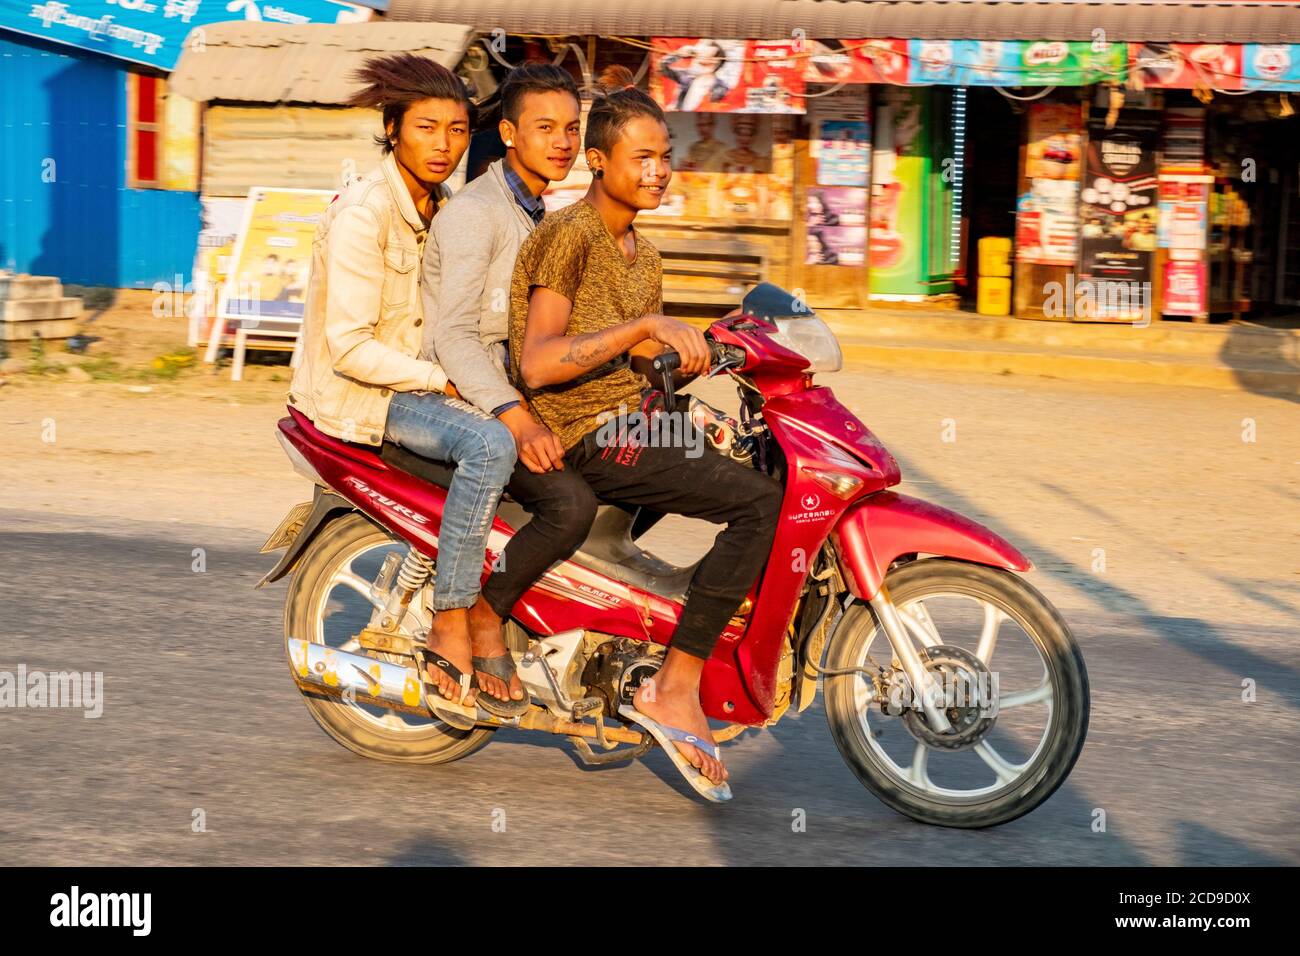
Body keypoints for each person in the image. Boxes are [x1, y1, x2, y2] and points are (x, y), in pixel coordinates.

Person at [508, 65, 782, 794]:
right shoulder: (572, 235)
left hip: (632, 418)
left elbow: (636, 358)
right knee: (756, 505)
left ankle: (640, 623)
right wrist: (644, 328)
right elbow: (537, 364)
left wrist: (705, 355)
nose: (660, 171)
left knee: (761, 461)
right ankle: (676, 684)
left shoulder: (644, 251)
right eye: (644, 157)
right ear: (598, 161)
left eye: (666, 157)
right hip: (582, 433)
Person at [288, 53, 517, 723]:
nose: (443, 145)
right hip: (362, 396)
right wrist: (446, 380)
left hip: (412, 382)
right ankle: (453, 616)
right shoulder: (367, 212)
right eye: (426, 128)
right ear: (393, 130)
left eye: (455, 130)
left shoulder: (445, 205)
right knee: (491, 444)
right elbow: (350, 347)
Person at [422, 63, 589, 715]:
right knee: (569, 504)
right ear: (511, 134)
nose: (562, 142)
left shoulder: (538, 210)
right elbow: (454, 337)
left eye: (572, 129)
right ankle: (475, 614)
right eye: (545, 128)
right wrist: (516, 417)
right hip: (447, 396)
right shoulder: (477, 213)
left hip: (498, 391)